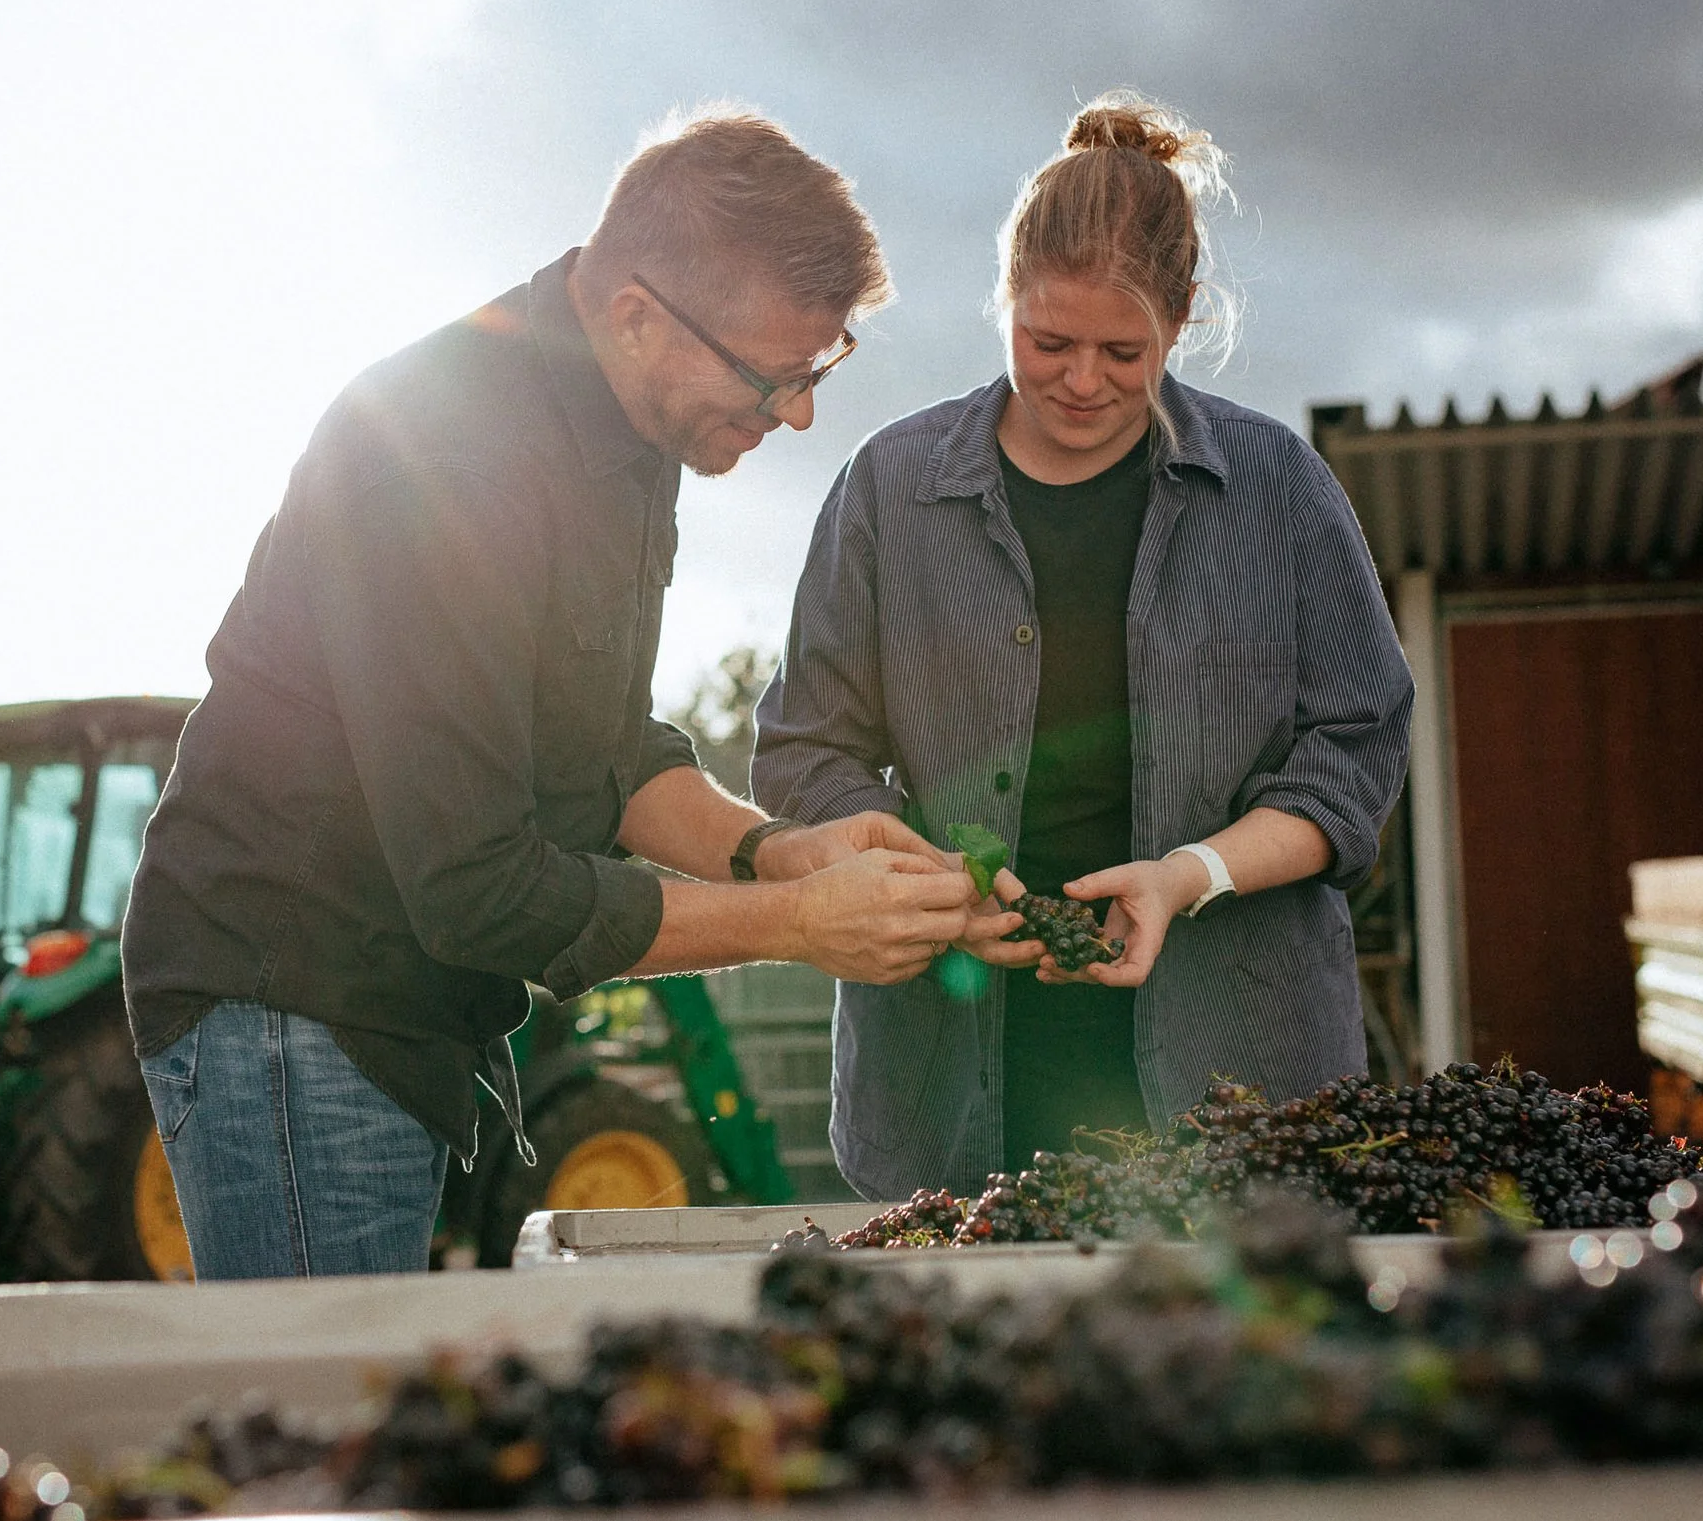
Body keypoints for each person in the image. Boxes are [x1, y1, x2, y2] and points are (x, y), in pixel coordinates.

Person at [119, 110, 1026, 1278]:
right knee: (331, 1379)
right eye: (772, 376)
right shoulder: (449, 456)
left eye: (818, 369)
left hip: (404, 1004)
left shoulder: (634, 427)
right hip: (293, 994)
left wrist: (778, 853)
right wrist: (801, 924)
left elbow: (603, 748)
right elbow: (479, 889)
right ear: (638, 316)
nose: (797, 412)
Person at [753, 92, 1413, 1202]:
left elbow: (1356, 751)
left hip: (1242, 1062)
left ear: (1183, 316)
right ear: (1003, 295)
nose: (1082, 379)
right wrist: (931, 877)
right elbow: (803, 751)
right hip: (950, 1067)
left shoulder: (1280, 489)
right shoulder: (887, 489)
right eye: (1047, 341)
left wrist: (1190, 875)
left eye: (1123, 349)